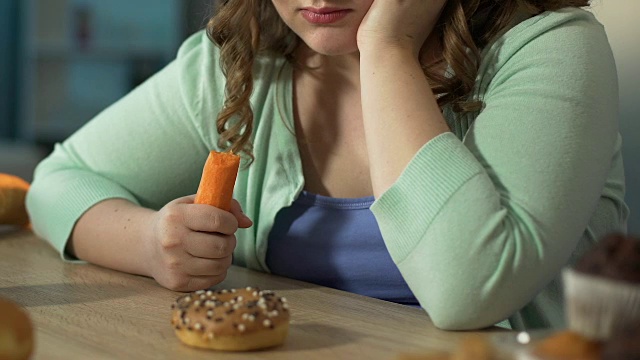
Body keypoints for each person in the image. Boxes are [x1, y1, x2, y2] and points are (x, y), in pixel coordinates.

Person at [26, 0, 628, 331]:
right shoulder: (246, 62)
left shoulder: (552, 48)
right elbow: (56, 182)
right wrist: (152, 244)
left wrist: (387, 49)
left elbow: (469, 292)